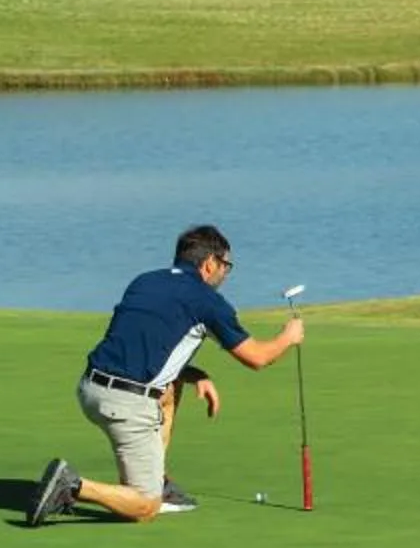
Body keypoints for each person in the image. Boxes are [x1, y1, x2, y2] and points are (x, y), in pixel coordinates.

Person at [28, 224, 301, 527]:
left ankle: (157, 478)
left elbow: (144, 343)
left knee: (171, 388)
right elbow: (258, 358)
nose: (226, 274)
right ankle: (73, 485)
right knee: (145, 507)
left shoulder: (145, 282)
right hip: (125, 406)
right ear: (210, 263)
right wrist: (289, 336)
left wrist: (195, 374)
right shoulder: (208, 302)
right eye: (226, 266)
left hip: (89, 388)